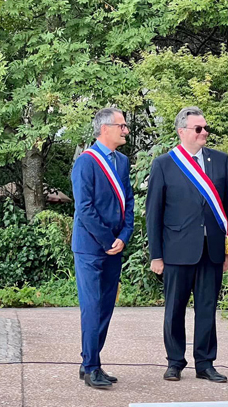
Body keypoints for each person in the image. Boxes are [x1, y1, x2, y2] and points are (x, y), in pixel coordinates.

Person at [146, 106, 228, 383]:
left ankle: (205, 362)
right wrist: (156, 255)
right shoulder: (164, 163)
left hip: (211, 249)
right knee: (174, 308)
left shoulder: (220, 161)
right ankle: (175, 361)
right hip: (177, 249)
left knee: (207, 307)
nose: (204, 132)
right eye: (198, 128)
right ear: (182, 131)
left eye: (205, 128)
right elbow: (154, 213)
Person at [71, 107, 135, 389]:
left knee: (106, 306)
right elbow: (84, 208)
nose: (126, 130)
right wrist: (108, 240)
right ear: (105, 128)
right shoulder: (86, 162)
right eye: (121, 126)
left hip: (115, 245)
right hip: (90, 247)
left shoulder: (121, 162)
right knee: (92, 306)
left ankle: (92, 362)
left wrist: (124, 234)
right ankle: (90, 365)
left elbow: (129, 201)